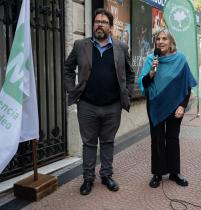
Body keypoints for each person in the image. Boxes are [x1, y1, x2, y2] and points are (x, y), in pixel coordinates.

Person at [64, 9, 134, 195]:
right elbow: (67, 68)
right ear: (93, 25)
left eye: (104, 22)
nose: (99, 25)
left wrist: (126, 93)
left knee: (108, 142)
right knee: (88, 143)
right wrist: (72, 89)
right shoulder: (81, 45)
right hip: (87, 105)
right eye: (97, 21)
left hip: (113, 106)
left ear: (110, 27)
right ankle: (88, 178)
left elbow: (129, 73)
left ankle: (106, 175)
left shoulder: (121, 47)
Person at [138, 28, 197, 188]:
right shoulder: (151, 59)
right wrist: (151, 73)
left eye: (164, 39)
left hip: (175, 105)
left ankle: (174, 172)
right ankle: (157, 173)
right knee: (157, 139)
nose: (161, 41)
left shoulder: (180, 59)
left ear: (171, 42)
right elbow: (143, 84)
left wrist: (183, 106)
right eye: (158, 39)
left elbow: (187, 85)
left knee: (172, 138)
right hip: (155, 105)